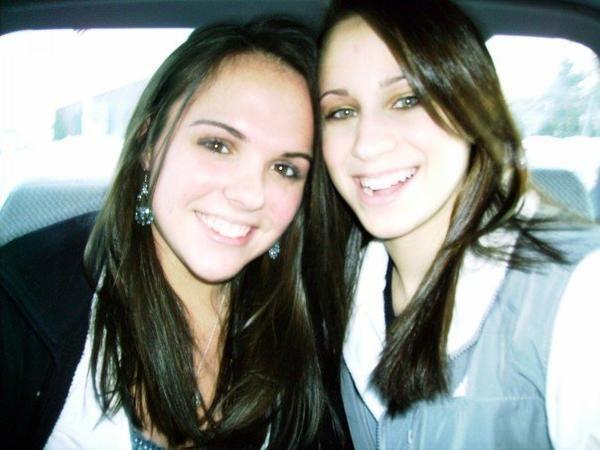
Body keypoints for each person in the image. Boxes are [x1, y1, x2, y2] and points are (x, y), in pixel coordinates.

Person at [0, 17, 341, 449]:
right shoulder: (26, 308)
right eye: (218, 145)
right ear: (148, 143)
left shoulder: (309, 323)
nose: (250, 195)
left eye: (285, 168)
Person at [315, 0, 600, 448]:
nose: (366, 144)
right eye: (341, 112)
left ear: (469, 108)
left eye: (407, 100)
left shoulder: (581, 294)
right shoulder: (345, 288)